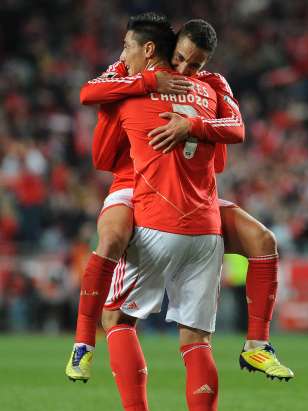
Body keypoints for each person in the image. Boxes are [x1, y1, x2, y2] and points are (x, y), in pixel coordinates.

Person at [65, 19, 293, 386]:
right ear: (164, 52)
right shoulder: (127, 73)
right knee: (111, 239)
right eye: (182, 59)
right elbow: (90, 97)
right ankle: (81, 342)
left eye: (196, 64)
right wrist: (150, 82)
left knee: (263, 241)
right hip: (132, 183)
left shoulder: (212, 84)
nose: (186, 70)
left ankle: (258, 343)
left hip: (193, 195)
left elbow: (234, 132)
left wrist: (193, 127)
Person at [86, 13, 226, 411]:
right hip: (207, 229)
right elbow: (222, 154)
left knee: (117, 319)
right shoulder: (208, 91)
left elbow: (103, 156)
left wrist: (134, 87)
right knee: (196, 341)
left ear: (149, 52)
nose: (121, 54)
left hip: (158, 223)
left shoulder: (133, 93)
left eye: (127, 46)